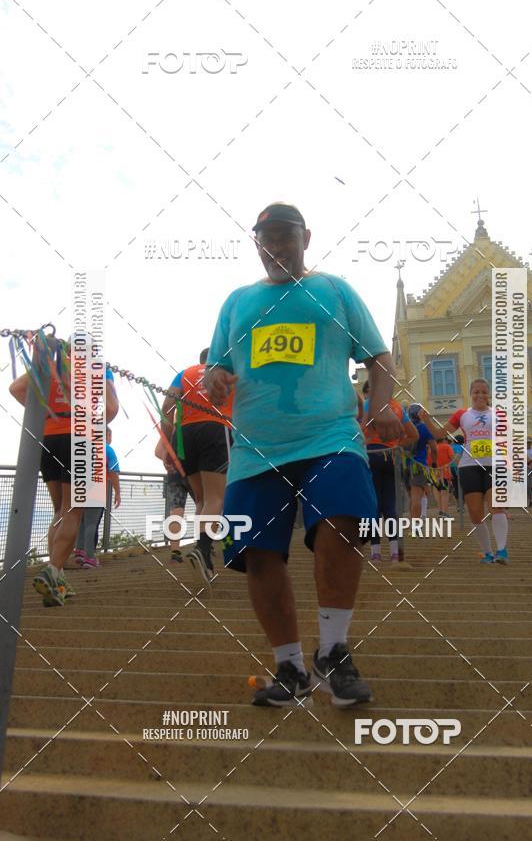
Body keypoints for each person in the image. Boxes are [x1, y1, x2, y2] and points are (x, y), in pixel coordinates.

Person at [204, 201, 406, 707]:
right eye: (265, 238)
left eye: (285, 235)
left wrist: (380, 406)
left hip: (329, 436)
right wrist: (214, 379)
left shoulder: (333, 290)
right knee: (257, 554)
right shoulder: (235, 302)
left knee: (343, 518)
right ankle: (290, 667)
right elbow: (216, 370)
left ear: (306, 237)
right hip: (254, 449)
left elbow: (380, 357)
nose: (275, 246)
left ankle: (333, 651)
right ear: (256, 243)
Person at [9, 340, 119, 606]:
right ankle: (54, 571)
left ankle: (56, 579)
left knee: (60, 510)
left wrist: (45, 413)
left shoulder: (51, 365)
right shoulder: (97, 368)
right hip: (81, 440)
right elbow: (112, 408)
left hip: (48, 437)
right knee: (74, 510)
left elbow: (16, 388)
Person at [160, 348, 233, 585]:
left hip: (186, 434)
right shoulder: (228, 373)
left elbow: (167, 407)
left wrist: (170, 445)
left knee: (201, 499)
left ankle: (205, 561)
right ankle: (202, 550)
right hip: (215, 429)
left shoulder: (185, 373)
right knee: (216, 499)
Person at [419, 378, 509, 564]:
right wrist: (427, 421)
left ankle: (501, 550)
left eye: (484, 392)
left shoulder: (499, 414)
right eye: (476, 392)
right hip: (469, 467)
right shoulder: (462, 414)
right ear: (471, 393)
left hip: (494, 466)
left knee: (496, 507)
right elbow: (439, 434)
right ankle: (487, 552)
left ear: (489, 394)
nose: (480, 395)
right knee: (475, 513)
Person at [361, 380, 417, 565]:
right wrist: (395, 444)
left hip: (372, 455)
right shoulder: (398, 408)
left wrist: (367, 441)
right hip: (392, 458)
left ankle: (375, 552)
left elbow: (361, 430)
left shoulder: (369, 404)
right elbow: (413, 435)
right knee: (391, 506)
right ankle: (395, 553)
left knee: (373, 506)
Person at [74, 426, 121, 567]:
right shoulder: (108, 450)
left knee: (81, 521)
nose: (111, 439)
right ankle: (90, 558)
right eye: (110, 436)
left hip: (79, 486)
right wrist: (117, 492)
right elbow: (113, 472)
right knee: (91, 523)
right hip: (96, 487)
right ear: (106, 435)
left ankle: (80, 551)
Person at [155, 438, 198, 563]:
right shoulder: (191, 424)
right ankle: (204, 545)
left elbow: (157, 452)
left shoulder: (169, 429)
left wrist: (169, 461)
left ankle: (175, 552)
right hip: (192, 473)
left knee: (176, 513)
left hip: (173, 475)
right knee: (203, 506)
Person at [406, 404, 437, 519]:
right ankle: (416, 524)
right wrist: (434, 464)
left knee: (411, 497)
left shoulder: (406, 427)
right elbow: (434, 449)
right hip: (419, 464)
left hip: (406, 464)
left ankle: (412, 521)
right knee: (416, 496)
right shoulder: (425, 428)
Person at [432, 438, 454, 516]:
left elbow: (429, 462)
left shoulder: (431, 448)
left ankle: (440, 510)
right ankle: (444, 512)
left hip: (434, 473)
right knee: (445, 493)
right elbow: (452, 458)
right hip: (445, 472)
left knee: (437, 492)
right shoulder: (447, 446)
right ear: (443, 439)